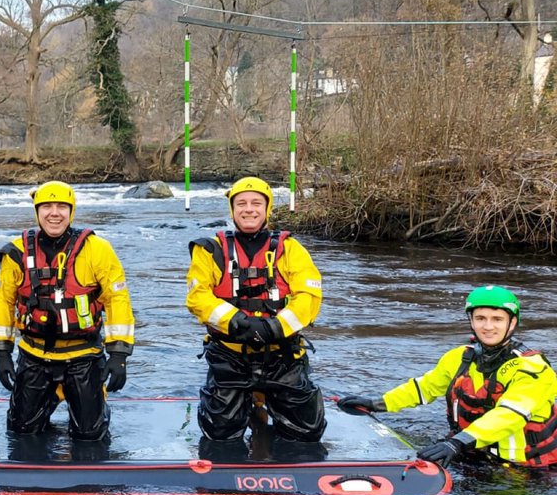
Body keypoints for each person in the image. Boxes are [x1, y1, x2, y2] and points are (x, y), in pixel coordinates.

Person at [338, 285, 557, 468]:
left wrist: (457, 443)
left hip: (528, 469)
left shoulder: (533, 369)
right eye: (480, 318)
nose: (488, 326)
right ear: (471, 321)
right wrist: (377, 403)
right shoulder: (459, 357)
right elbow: (425, 388)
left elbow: (510, 415)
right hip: (473, 453)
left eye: (497, 319)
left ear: (512, 323)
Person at [0, 181, 135, 441]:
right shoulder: (16, 251)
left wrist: (119, 354)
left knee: (90, 435)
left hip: (84, 357)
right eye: (46, 206)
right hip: (34, 356)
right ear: (37, 211)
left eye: (61, 207)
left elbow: (117, 300)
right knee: (22, 431)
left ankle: (95, 410)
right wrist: (2, 354)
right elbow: (4, 301)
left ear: (72, 211)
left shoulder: (97, 249)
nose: (54, 213)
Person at [186, 176, 325, 446]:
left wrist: (275, 327)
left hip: (281, 353)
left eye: (256, 203)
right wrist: (236, 321)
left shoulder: (290, 249)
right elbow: (197, 297)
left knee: (307, 432)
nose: (249, 209)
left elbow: (309, 296)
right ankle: (246, 412)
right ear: (232, 209)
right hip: (230, 353)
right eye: (241, 203)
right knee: (220, 433)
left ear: (267, 208)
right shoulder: (209, 250)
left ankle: (267, 413)